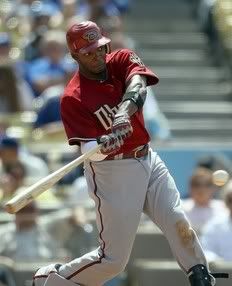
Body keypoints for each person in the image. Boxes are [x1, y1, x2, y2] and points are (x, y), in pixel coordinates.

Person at [33, 21, 228, 286]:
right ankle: (52, 279)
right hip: (113, 171)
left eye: (99, 48)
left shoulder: (121, 59)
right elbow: (88, 152)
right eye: (88, 52)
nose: (97, 56)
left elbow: (138, 82)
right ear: (75, 56)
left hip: (147, 156)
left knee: (177, 221)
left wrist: (124, 112)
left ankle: (200, 274)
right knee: (113, 261)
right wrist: (105, 142)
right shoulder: (73, 97)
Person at [182, 167, 227, 235]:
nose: (201, 189)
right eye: (196, 184)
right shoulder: (181, 209)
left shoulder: (224, 208)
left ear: (214, 188)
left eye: (207, 184)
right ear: (190, 188)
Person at [200, 179, 232, 262]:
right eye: (230, 199)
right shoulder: (215, 224)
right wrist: (221, 264)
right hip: (225, 273)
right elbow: (206, 251)